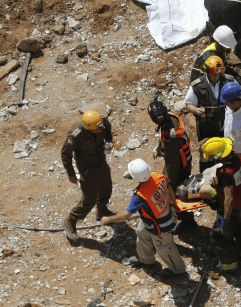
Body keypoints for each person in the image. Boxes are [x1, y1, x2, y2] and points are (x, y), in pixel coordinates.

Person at [102, 159, 186, 279]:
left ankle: (178, 269)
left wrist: (108, 219)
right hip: (161, 215)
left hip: (161, 226)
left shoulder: (140, 196)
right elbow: (169, 190)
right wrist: (175, 204)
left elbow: (126, 216)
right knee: (142, 232)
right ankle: (146, 259)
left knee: (165, 247)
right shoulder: (158, 176)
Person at [199, 138, 241, 273]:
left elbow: (229, 199)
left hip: (234, 208)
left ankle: (228, 265)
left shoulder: (225, 174)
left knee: (219, 236)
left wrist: (225, 220)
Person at [61, 110, 114, 242]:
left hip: (101, 163)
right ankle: (70, 221)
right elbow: (65, 155)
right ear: (89, 128)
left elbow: (107, 130)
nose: (100, 129)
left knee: (106, 187)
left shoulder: (100, 123)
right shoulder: (75, 136)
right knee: (89, 199)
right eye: (98, 129)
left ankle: (102, 210)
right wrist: (71, 174)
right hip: (87, 170)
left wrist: (108, 141)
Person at [149, 96, 197, 233]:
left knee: (175, 194)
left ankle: (186, 220)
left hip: (179, 166)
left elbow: (172, 166)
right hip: (180, 159)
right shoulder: (171, 118)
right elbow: (164, 135)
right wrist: (158, 147)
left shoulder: (171, 140)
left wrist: (168, 185)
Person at [184, 56, 237, 172]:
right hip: (207, 130)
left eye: (219, 73)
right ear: (207, 71)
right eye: (213, 73)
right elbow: (188, 104)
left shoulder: (229, 81)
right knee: (207, 159)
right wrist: (196, 110)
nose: (216, 76)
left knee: (227, 157)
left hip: (226, 129)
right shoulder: (197, 85)